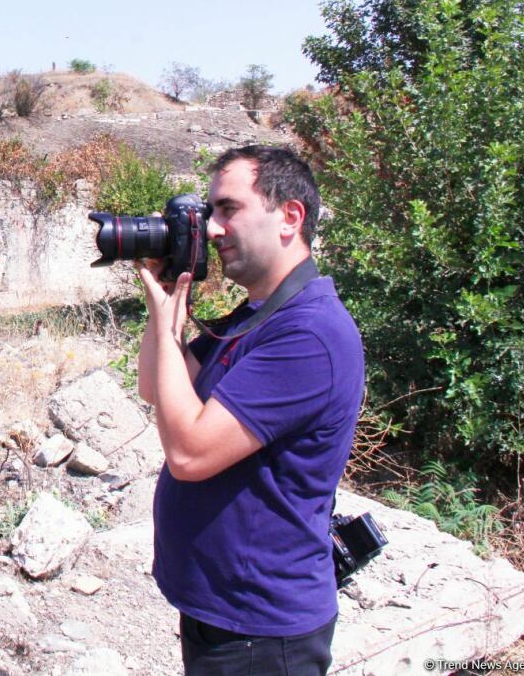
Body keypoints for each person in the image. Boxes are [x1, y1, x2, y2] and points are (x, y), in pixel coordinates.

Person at [135, 145, 364, 676]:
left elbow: (190, 453)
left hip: (260, 632)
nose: (212, 229)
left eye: (228, 209)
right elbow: (157, 384)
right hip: (223, 612)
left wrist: (161, 311)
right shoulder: (258, 313)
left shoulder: (309, 333)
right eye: (211, 212)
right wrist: (169, 299)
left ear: (290, 217)